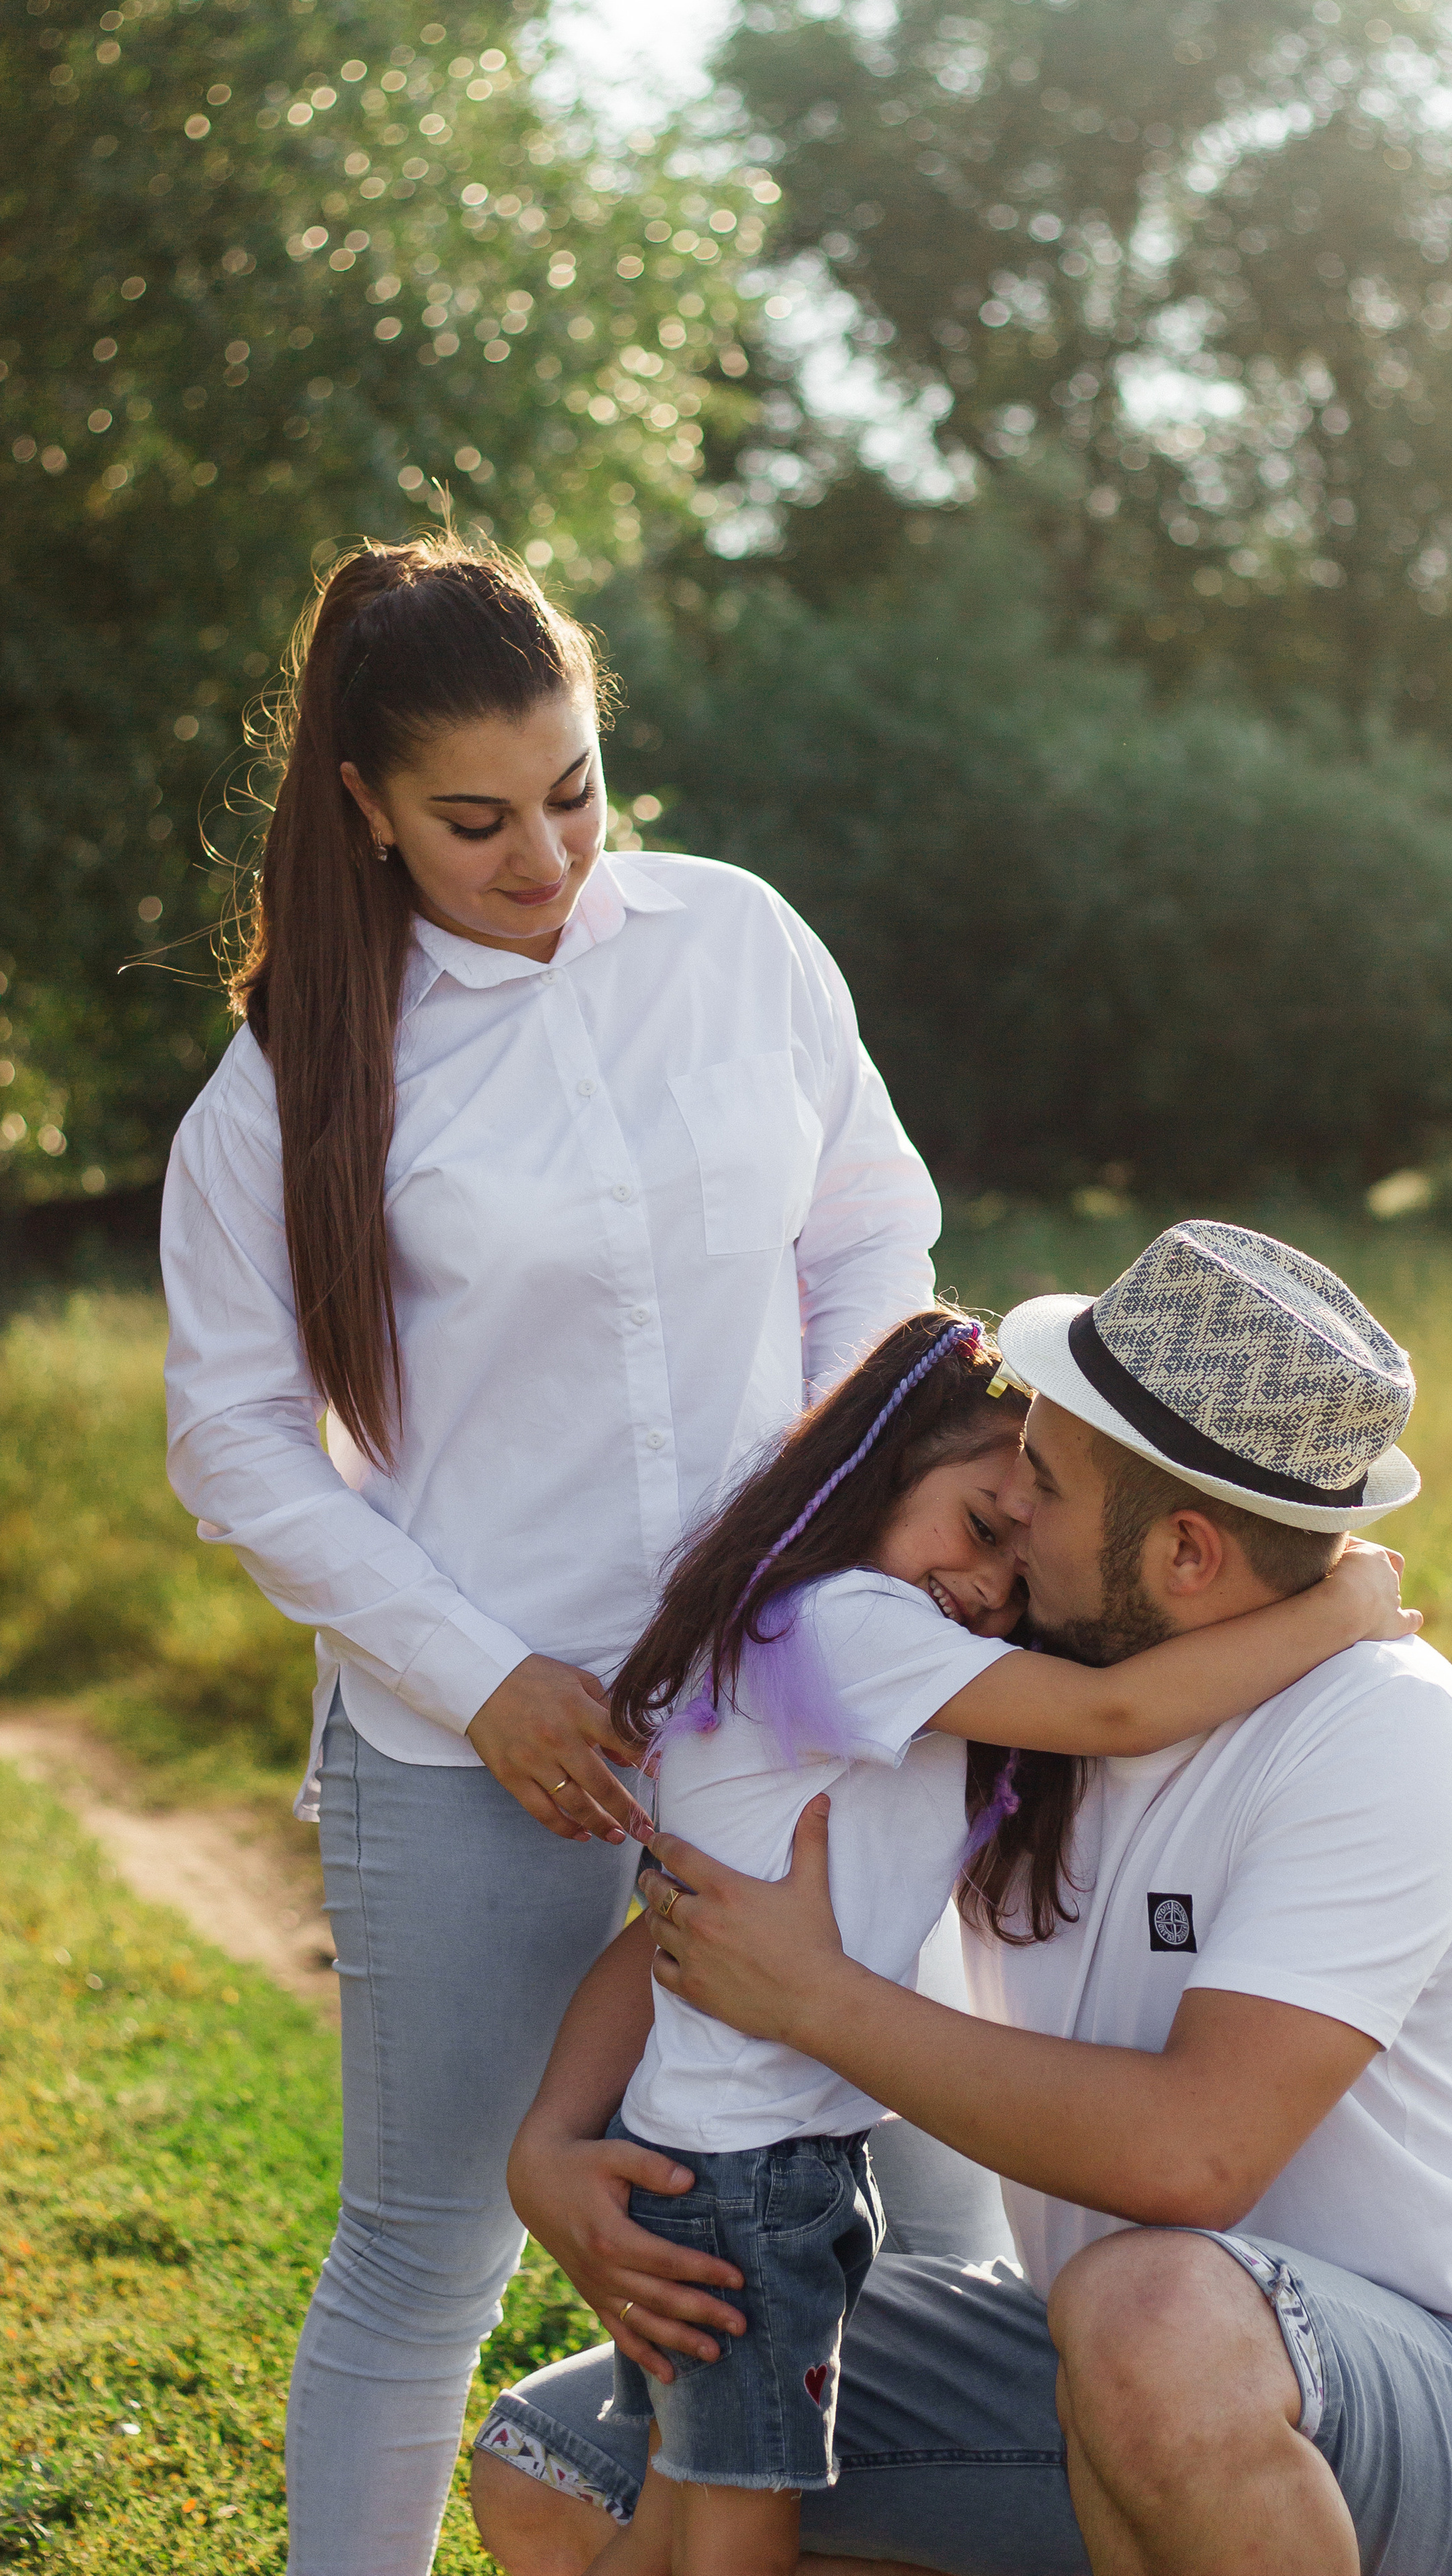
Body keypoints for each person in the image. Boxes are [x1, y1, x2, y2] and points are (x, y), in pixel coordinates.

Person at [158, 532, 955, 2576]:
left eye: (579, 789)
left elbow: (871, 1227)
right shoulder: (285, 1093)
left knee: (934, 2196)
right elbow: (235, 1439)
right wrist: (477, 1675)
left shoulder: (742, 944)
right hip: (484, 1739)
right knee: (425, 2249)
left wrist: (824, 1501)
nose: (546, 857)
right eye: (477, 820)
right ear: (363, 807)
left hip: (790, 1705)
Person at [472, 1222, 1452, 2576]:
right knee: (558, 2475)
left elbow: (1190, 2162)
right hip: (1107, 2362)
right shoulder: (1008, 1693)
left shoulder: (1375, 1728)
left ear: (1184, 1555)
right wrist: (548, 2143)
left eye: (1046, 1491)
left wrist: (818, 2006)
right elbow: (733, 1903)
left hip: (1445, 2407)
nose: (1011, 1508)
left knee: (1149, 2316)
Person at [584, 1304, 1414, 2576]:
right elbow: (1122, 1708)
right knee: (742, 2519)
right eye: (984, 1523)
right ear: (877, 1464)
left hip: (751, 2150)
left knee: (679, 2504)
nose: (987, 1589)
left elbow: (691, 1915)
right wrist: (1346, 1600)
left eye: (1018, 1571)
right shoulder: (847, 1627)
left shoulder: (854, 1644)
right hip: (752, 2168)